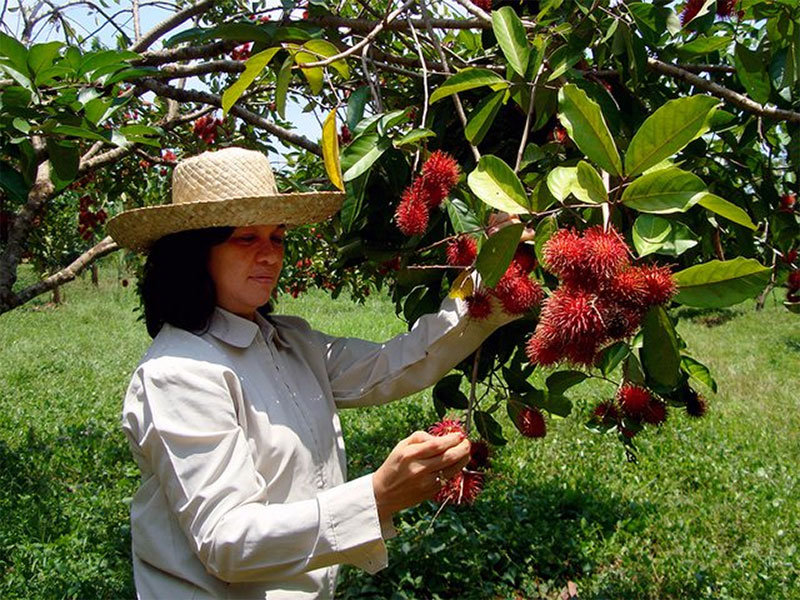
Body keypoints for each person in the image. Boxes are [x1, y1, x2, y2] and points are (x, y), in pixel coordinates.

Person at [108, 147, 516, 599]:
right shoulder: (179, 374)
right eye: (247, 238)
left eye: (277, 237)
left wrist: (488, 276)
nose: (269, 256)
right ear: (194, 252)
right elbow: (227, 540)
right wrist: (377, 495)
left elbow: (393, 364)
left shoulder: (290, 341)